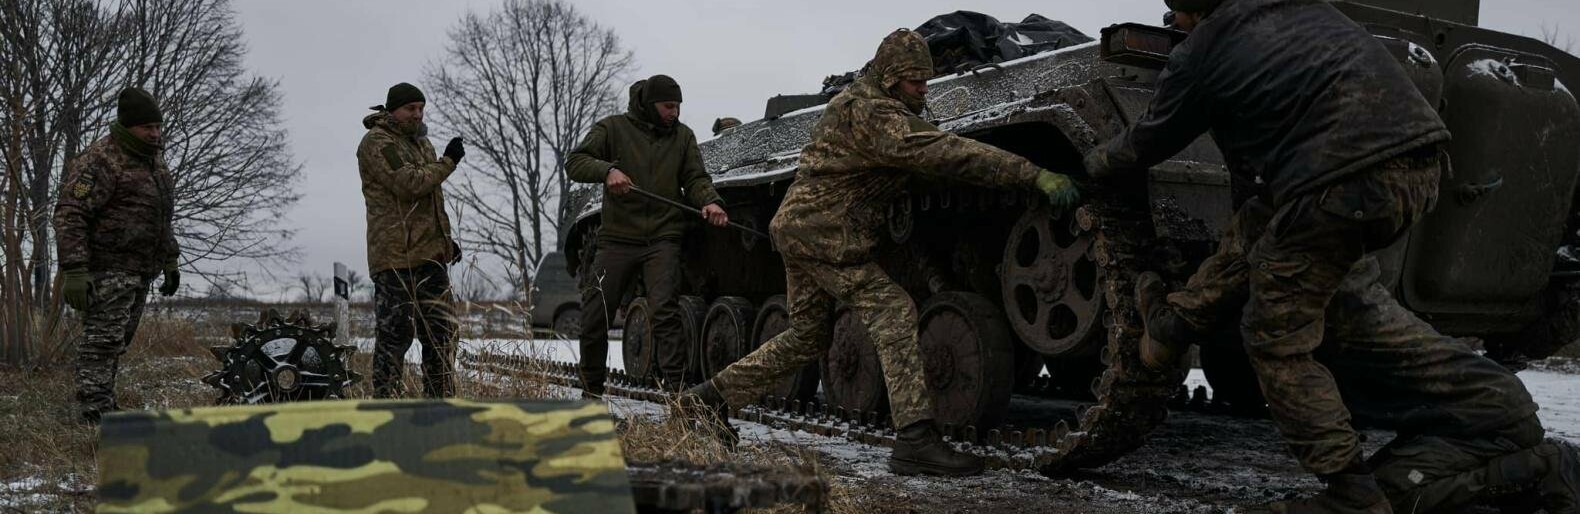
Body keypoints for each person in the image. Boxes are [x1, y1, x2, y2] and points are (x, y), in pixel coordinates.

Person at [1084, 0, 1580, 510]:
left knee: (1276, 335)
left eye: (1178, 13)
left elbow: (1146, 141)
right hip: (1414, 166)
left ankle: (1350, 495)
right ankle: (1175, 324)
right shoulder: (1302, 9)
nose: (1175, 23)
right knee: (1275, 236)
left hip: (1336, 181)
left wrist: (1090, 164)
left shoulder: (1206, 47)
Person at [674, 29, 1080, 477]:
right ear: (889, 78)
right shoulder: (870, 113)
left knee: (808, 338)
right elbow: (944, 151)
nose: (924, 89)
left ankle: (705, 400)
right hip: (824, 235)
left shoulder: (871, 102)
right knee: (895, 310)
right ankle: (915, 440)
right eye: (914, 81)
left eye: (926, 80)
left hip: (806, 230)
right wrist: (1032, 175)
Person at [567, 74, 729, 396]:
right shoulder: (613, 129)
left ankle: (681, 398)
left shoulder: (683, 137)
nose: (675, 113)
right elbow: (575, 162)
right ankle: (591, 394)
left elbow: (695, 177)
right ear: (650, 104)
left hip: (663, 238)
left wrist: (710, 201)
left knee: (666, 314)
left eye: (679, 107)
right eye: (669, 106)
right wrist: (607, 171)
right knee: (595, 312)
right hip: (617, 238)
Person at [55, 87, 182, 423]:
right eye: (147, 128)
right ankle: (94, 413)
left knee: (119, 339)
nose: (155, 134)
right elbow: (71, 213)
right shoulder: (101, 160)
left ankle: (104, 405)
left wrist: (170, 259)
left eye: (158, 127)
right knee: (102, 340)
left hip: (141, 268)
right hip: (107, 266)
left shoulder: (155, 161)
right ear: (128, 127)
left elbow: (162, 215)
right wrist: (75, 270)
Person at [357, 82, 465, 399]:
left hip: (429, 257)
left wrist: (445, 242)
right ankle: (386, 404)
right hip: (395, 259)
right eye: (410, 109)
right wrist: (449, 162)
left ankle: (439, 404)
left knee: (442, 332)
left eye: (421, 108)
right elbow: (410, 184)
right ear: (393, 110)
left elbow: (430, 200)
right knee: (395, 335)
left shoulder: (422, 144)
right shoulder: (377, 142)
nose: (417, 115)